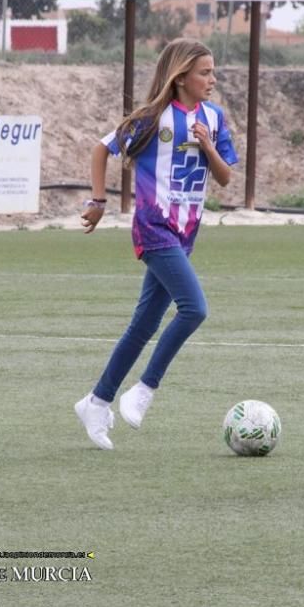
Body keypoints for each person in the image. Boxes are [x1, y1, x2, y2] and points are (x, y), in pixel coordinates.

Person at [73, 38, 238, 450]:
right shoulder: (152, 118)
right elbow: (101, 148)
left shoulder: (213, 119)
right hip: (154, 227)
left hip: (186, 233)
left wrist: (207, 145)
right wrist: (98, 201)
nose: (212, 79)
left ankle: (96, 401)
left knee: (144, 324)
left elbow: (225, 178)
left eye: (213, 71)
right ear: (180, 76)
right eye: (205, 72)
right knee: (195, 309)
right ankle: (144, 389)